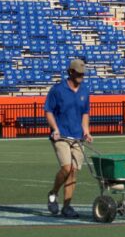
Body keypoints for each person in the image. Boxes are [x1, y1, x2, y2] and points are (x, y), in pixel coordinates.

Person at [44, 58, 92, 218]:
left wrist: (86, 130)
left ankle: (67, 206)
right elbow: (49, 111)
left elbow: (85, 113)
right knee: (66, 168)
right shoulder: (57, 90)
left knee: (73, 172)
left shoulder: (85, 91)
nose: (81, 77)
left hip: (78, 136)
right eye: (78, 74)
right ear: (70, 72)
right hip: (61, 136)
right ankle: (53, 194)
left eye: (83, 74)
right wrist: (55, 129)